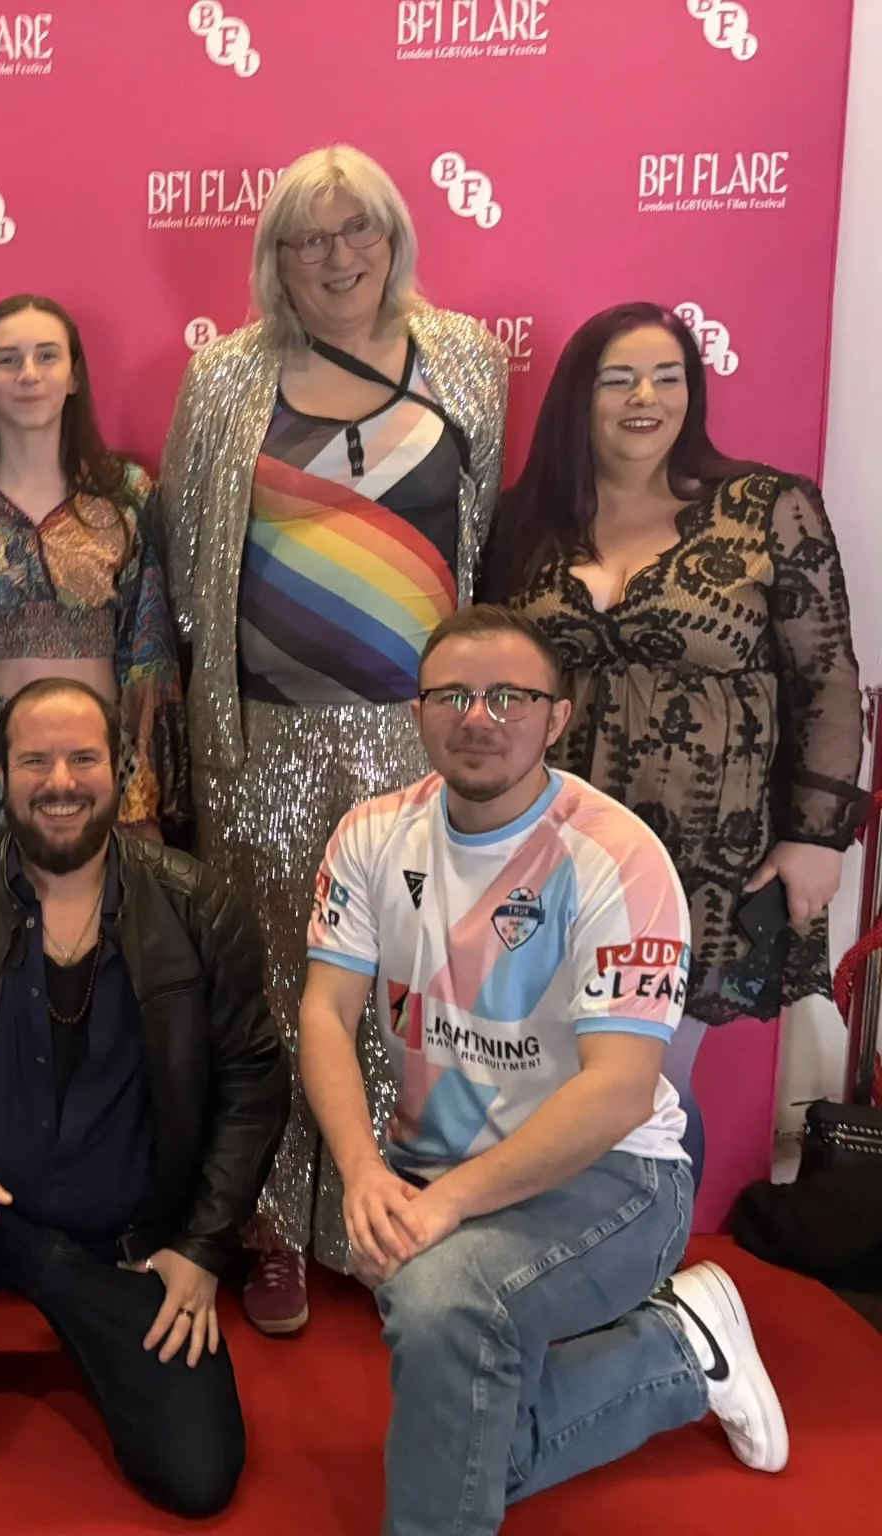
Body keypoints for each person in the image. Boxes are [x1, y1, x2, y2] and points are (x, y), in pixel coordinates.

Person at [299, 606, 787, 1536]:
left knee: (440, 1304)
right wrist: (362, 1170)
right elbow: (323, 1011)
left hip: (617, 1178)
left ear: (556, 718)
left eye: (510, 696)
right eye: (453, 694)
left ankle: (666, 1352)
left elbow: (618, 1089)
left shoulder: (616, 857)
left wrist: (444, 1208)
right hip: (430, 1167)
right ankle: (682, 1348)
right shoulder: (370, 837)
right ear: (420, 710)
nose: (479, 716)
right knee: (467, 1435)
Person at [150, 143, 509, 1334]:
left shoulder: (465, 359)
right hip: (265, 742)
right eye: (311, 237)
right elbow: (188, 559)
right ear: (274, 258)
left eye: (359, 230)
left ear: (395, 239)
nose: (339, 256)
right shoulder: (223, 378)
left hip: (419, 741)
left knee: (403, 986)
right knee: (270, 981)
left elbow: (477, 538)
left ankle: (378, 1210)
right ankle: (266, 1226)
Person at [0, 678, 289, 1514]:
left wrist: (206, 1245)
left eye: (83, 757)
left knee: (197, 1476)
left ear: (122, 768)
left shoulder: (198, 903)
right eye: (35, 759)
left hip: (126, 1237)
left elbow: (253, 1079)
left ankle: (81, 1315)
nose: (60, 781)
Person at [484, 303, 864, 1180]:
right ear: (578, 399)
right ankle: (570, 1263)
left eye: (668, 376)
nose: (645, 397)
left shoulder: (767, 506)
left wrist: (817, 836)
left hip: (706, 863)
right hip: (552, 851)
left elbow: (829, 677)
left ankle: (649, 1276)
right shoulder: (525, 521)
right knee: (548, 1078)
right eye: (618, 379)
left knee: (648, 1090)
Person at [0, 295, 190, 843]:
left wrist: (142, 786)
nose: (29, 375)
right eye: (7, 360)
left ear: (73, 376)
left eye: (47, 357)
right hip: (0, 761)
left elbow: (150, 651)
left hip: (106, 754)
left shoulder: (127, 493)